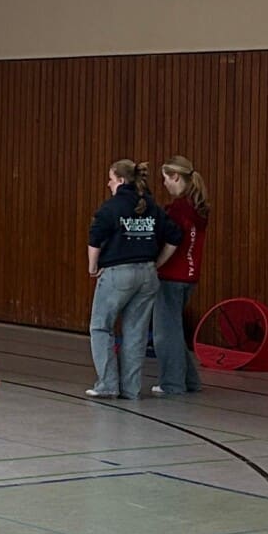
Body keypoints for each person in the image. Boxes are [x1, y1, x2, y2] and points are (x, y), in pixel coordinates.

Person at [87, 161, 180, 401]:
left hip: (118, 273)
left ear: (120, 179)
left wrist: (92, 266)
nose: (108, 183)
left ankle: (107, 384)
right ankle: (131, 388)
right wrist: (157, 263)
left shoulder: (111, 207)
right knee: (135, 332)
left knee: (101, 326)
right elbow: (174, 236)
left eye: (110, 178)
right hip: (147, 274)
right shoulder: (150, 205)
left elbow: (95, 238)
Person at [151, 156, 210, 396]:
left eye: (165, 178)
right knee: (174, 329)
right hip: (190, 276)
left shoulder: (178, 209)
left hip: (172, 276)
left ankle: (172, 383)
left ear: (175, 176)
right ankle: (190, 381)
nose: (164, 184)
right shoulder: (198, 208)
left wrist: (156, 264)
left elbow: (172, 242)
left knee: (165, 333)